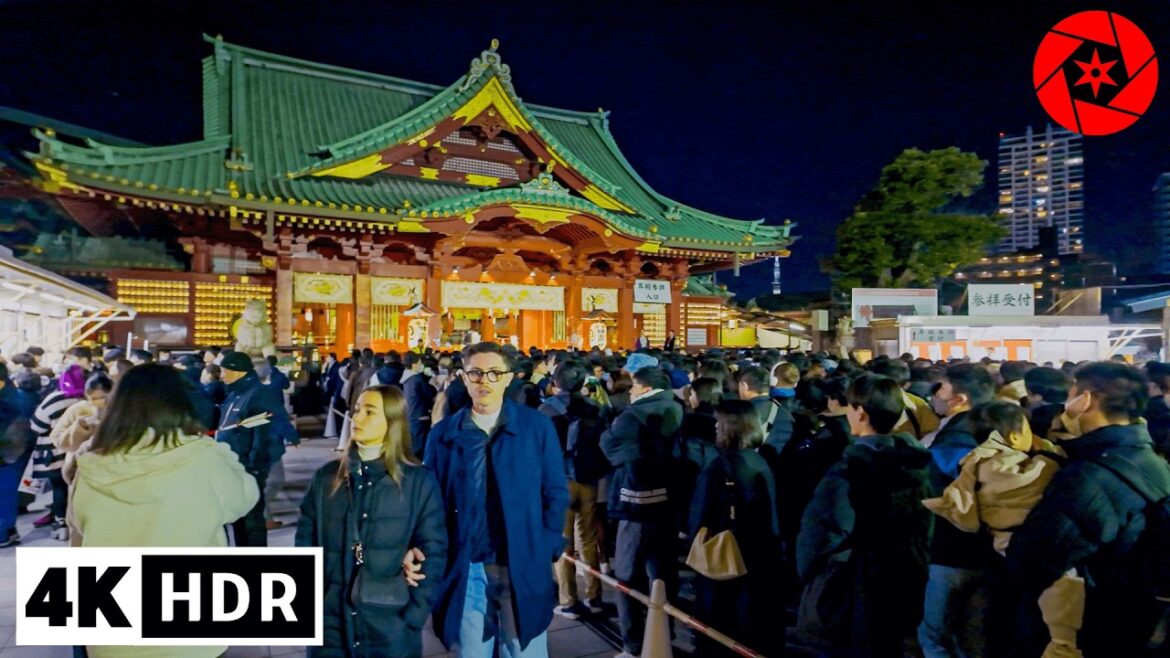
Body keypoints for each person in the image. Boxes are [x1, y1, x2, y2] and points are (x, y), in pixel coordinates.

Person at [71, 363, 258, 658]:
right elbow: (244, 498)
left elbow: (78, 533)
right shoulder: (203, 459)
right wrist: (220, 450)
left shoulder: (91, 467)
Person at [1008, 362, 1170, 658]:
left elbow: (1036, 557)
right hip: (1133, 617)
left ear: (1086, 400)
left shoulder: (1090, 477)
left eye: (1071, 395)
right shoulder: (1151, 459)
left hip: (1092, 623)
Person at [424, 342, 569, 658]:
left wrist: (547, 543)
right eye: (475, 373)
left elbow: (555, 491)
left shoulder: (536, 428)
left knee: (523, 648)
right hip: (467, 564)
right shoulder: (443, 435)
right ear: (464, 377)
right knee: (471, 649)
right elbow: (430, 501)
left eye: (494, 373)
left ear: (508, 377)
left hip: (521, 558)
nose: (484, 381)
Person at [297, 385, 447, 658]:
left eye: (370, 412)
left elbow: (434, 549)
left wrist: (414, 614)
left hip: (389, 624)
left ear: (392, 421)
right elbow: (305, 544)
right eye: (356, 411)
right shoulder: (327, 478)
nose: (357, 419)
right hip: (330, 623)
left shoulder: (417, 482)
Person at [796, 374, 933, 658]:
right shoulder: (919, 466)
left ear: (860, 412)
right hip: (907, 576)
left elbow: (822, 533)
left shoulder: (850, 470)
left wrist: (811, 577)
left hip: (853, 586)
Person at [601, 366, 683, 658]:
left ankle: (633, 643)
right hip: (668, 502)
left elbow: (607, 446)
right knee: (662, 574)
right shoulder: (678, 409)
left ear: (645, 387)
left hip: (635, 503)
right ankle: (665, 631)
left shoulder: (631, 416)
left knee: (627, 574)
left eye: (634, 386)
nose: (631, 392)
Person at [918, 363, 1000, 658]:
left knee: (935, 637)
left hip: (952, 552)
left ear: (960, 398)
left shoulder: (952, 444)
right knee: (973, 638)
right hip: (991, 551)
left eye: (940, 387)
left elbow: (934, 496)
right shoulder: (999, 431)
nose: (934, 394)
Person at [688, 399, 779, 657]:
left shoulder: (720, 466)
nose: (715, 426)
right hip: (757, 552)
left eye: (720, 422)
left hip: (724, 553)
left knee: (716, 623)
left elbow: (700, 513)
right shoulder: (760, 460)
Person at [540, 361, 609, 620]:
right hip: (588, 480)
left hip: (558, 482)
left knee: (562, 541)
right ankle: (595, 595)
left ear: (555, 382)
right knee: (588, 539)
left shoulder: (545, 410)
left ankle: (569, 600)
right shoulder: (595, 408)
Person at [215, 351, 285, 546]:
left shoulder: (257, 395)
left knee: (251, 524)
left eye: (224, 371)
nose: (221, 375)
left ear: (237, 371)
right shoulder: (234, 394)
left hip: (248, 469)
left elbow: (263, 435)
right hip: (234, 468)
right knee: (239, 521)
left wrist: (256, 469)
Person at [30, 362, 89, 540]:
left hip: (55, 453)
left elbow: (36, 425)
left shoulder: (55, 398)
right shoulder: (90, 399)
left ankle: (60, 523)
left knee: (59, 488)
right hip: (82, 452)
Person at [0, 362, 37, 547]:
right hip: (12, 452)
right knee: (7, 491)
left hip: (7, 452)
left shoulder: (11, 399)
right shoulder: (15, 395)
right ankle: (8, 530)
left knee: (5, 491)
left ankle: (4, 532)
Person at [401, 352, 438, 457]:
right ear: (414, 365)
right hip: (419, 416)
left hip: (411, 415)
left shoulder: (406, 378)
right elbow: (430, 393)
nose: (421, 365)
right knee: (418, 448)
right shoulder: (417, 379)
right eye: (420, 363)